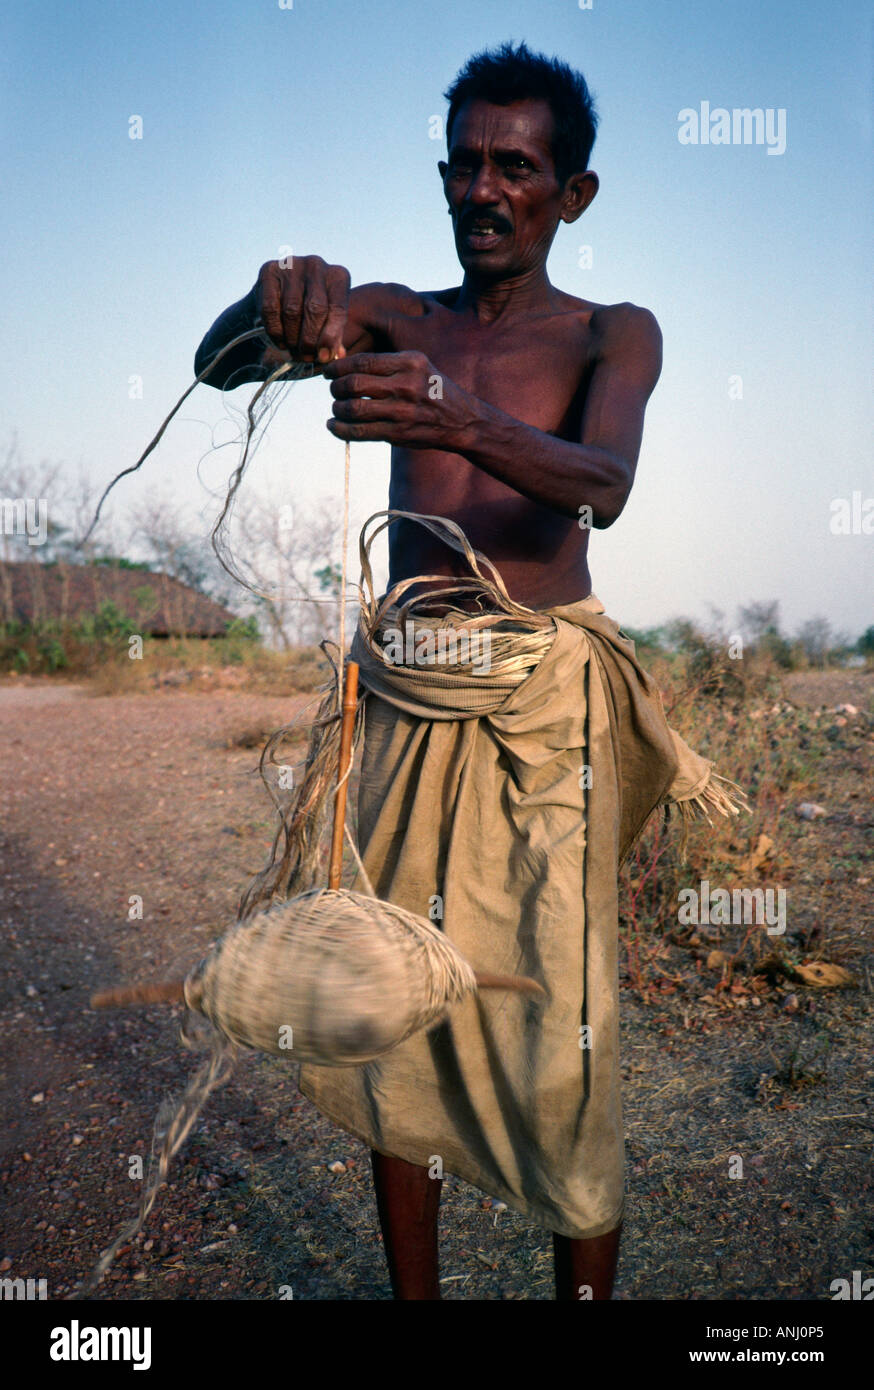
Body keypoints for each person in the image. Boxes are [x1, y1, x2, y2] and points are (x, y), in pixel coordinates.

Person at [195, 43, 668, 1301]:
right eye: (463, 162)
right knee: (389, 1007)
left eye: (516, 166)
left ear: (573, 194)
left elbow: (606, 487)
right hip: (403, 700)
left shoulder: (611, 333)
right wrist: (268, 301)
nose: (483, 188)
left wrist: (453, 416)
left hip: (539, 713)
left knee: (560, 1034)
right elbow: (221, 364)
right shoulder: (397, 313)